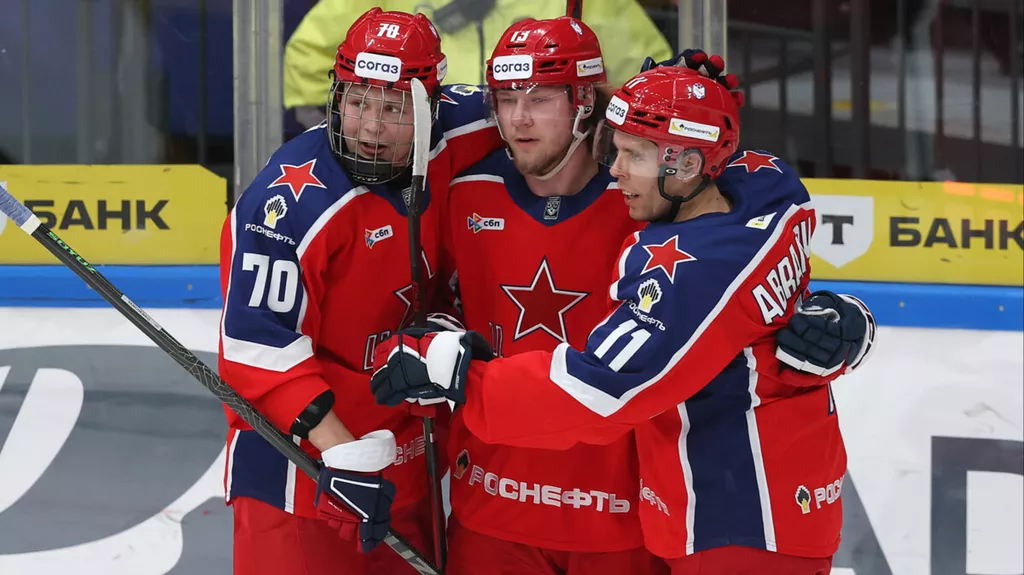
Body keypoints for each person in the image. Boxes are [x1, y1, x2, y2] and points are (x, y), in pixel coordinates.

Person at [370, 63, 876, 574]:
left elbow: (597, 391)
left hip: (737, 519)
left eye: (635, 155)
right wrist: (686, 94)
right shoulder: (771, 187)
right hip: (772, 501)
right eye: (619, 150)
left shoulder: (688, 269)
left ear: (688, 163)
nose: (616, 170)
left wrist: (459, 376)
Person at [216, 8, 502, 574]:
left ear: (432, 106)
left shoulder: (461, 129)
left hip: (408, 463)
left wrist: (670, 95)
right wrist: (342, 453)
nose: (371, 126)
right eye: (357, 102)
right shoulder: (289, 202)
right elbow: (256, 345)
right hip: (302, 473)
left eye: (394, 108)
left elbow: (552, 108)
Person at [437, 17, 666, 575]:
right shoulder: (464, 193)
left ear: (584, 102)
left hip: (621, 522)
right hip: (489, 512)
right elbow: (429, 304)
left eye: (539, 99)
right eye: (507, 98)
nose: (518, 118)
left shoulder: (647, 204)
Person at [282, 0, 673, 129]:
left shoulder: (591, 2)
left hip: (543, 159)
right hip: (422, 157)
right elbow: (308, 55)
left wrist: (596, 135)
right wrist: (348, 127)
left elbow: (647, 80)